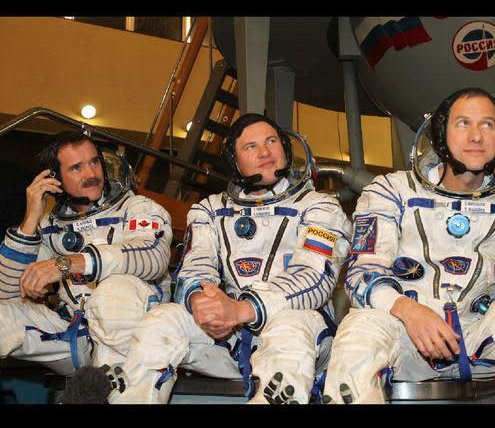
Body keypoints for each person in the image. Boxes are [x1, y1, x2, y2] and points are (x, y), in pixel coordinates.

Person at [323, 87, 495, 404]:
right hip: (408, 336)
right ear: (441, 134)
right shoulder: (393, 190)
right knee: (360, 328)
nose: (476, 136)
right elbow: (361, 274)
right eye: (462, 123)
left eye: (487, 125)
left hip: (483, 335)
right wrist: (408, 310)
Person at [104, 113, 351, 404]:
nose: (265, 151)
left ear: (285, 149)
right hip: (229, 337)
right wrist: (201, 302)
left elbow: (314, 278)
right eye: (251, 146)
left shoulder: (321, 207)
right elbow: (195, 267)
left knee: (291, 326)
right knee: (162, 320)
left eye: (272, 141)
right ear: (235, 162)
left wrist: (241, 309)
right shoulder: (209, 210)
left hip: (303, 337)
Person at [0, 131, 172, 375]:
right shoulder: (50, 227)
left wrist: (68, 263)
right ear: (55, 178)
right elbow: (6, 296)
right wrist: (30, 219)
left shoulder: (137, 207)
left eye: (94, 162)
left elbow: (153, 256)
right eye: (76, 168)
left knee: (112, 295)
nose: (91, 174)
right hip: (77, 336)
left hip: (136, 335)